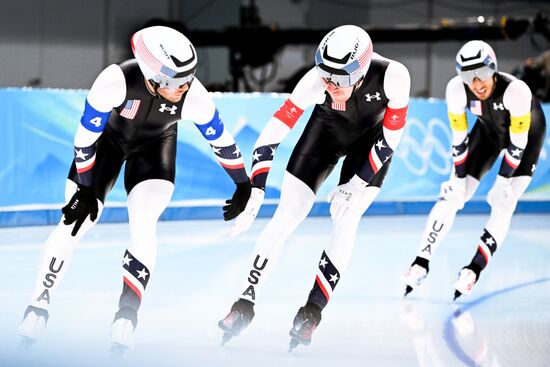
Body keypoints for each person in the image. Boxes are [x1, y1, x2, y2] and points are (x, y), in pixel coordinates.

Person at [17, 26, 251, 352]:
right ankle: (38, 306)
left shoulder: (194, 96)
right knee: (74, 223)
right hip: (107, 146)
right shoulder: (115, 81)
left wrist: (243, 183)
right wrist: (86, 189)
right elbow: (85, 140)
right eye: (177, 82)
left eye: (189, 78)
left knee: (143, 222)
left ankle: (127, 314)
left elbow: (222, 142)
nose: (186, 87)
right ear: (153, 77)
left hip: (155, 148)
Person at [218, 25, 411, 350]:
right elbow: (272, 134)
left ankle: (312, 311)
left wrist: (358, 182)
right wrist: (257, 186)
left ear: (360, 74)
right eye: (326, 75)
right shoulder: (315, 82)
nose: (330, 84)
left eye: (339, 79)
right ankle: (244, 301)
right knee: (286, 215)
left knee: (346, 218)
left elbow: (391, 138)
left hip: (371, 145)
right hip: (325, 134)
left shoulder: (394, 76)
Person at [402, 40, 546, 300]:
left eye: (482, 75)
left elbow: (518, 144)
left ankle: (474, 269)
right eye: (468, 77)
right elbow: (459, 140)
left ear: (494, 70)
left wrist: (503, 183)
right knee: (453, 195)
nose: (477, 84)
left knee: (504, 202)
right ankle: (421, 261)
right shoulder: (456, 90)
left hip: (526, 138)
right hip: (488, 133)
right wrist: (457, 178)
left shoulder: (516, 91)